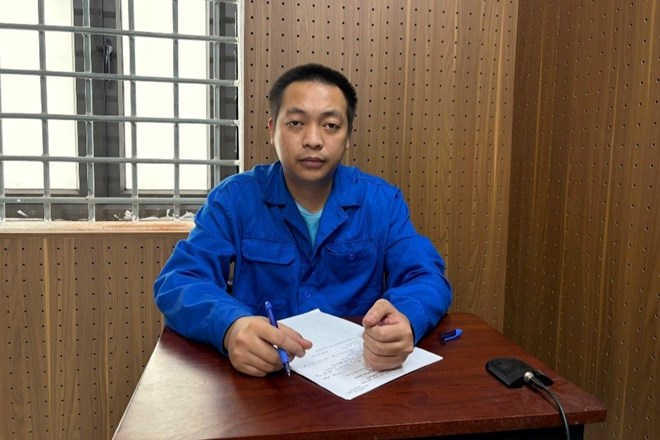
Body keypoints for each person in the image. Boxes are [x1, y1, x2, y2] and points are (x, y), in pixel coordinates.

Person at [154, 63, 452, 377]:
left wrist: (406, 318)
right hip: (262, 379)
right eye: (296, 123)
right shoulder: (233, 200)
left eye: (331, 125)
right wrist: (231, 326)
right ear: (272, 130)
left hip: (356, 377)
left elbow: (427, 276)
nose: (313, 139)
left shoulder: (382, 202)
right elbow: (179, 280)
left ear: (348, 136)